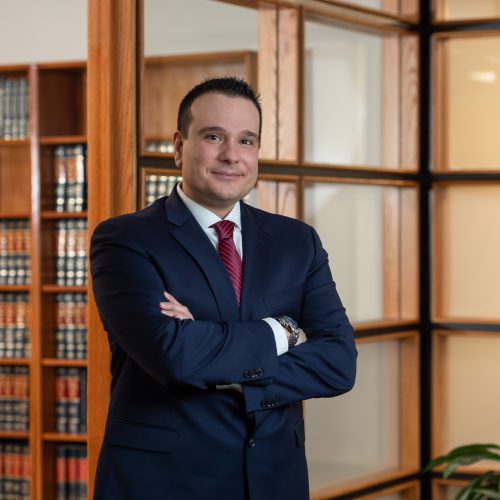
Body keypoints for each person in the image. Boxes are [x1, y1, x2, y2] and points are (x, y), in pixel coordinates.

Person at [90, 77, 357, 500]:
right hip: (164, 482)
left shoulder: (296, 241)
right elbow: (173, 356)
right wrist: (284, 331)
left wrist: (220, 361)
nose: (232, 155)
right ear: (179, 146)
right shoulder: (126, 239)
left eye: (246, 140)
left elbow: (339, 363)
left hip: (275, 479)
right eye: (213, 136)